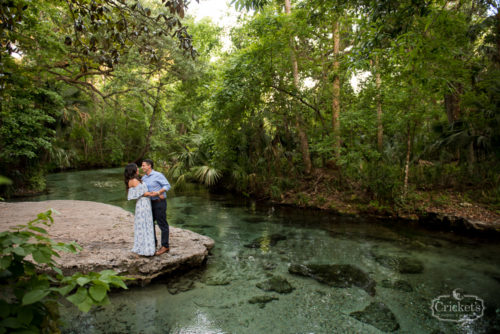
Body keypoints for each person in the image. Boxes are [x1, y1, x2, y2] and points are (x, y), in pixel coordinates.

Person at [124, 163, 156, 257]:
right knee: (144, 224)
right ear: (133, 170)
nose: (138, 169)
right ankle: (145, 248)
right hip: (143, 204)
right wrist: (155, 193)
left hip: (145, 203)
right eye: (137, 168)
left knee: (145, 224)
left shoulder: (136, 179)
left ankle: (146, 246)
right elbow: (143, 193)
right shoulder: (133, 180)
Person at [141, 159, 171, 255]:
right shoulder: (144, 178)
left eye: (143, 165)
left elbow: (167, 186)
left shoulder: (158, 175)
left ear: (149, 166)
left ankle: (165, 246)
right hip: (149, 203)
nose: (142, 167)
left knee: (162, 224)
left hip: (159, 202)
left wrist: (159, 192)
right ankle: (153, 244)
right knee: (150, 224)